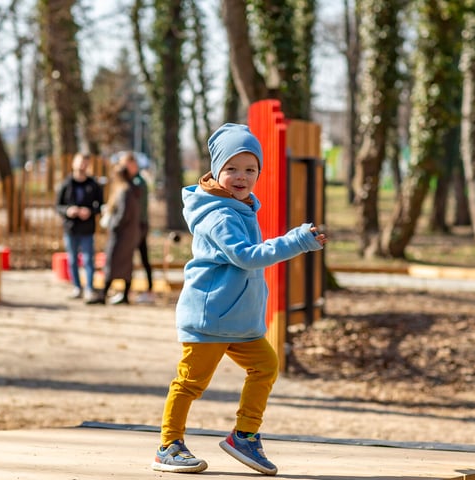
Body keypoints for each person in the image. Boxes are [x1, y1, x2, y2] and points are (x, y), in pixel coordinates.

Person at [151, 123, 328, 475]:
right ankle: (168, 446)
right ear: (217, 170)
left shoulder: (240, 206)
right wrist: (295, 242)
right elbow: (246, 256)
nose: (241, 176)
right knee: (190, 382)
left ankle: (244, 436)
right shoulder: (219, 215)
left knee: (265, 365)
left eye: (250, 169)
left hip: (237, 321)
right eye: (232, 168)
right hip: (210, 317)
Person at [87, 159, 141, 305]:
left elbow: (123, 214)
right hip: (128, 233)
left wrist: (111, 224)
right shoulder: (129, 190)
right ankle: (122, 294)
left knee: (112, 262)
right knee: (124, 263)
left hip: (122, 234)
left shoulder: (124, 191)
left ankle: (104, 293)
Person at [56, 153, 103, 302]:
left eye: (85, 163)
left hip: (87, 228)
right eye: (80, 162)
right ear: (73, 164)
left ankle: (89, 287)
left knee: (89, 260)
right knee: (72, 260)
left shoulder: (93, 184)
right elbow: (58, 206)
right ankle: (77, 287)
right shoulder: (66, 184)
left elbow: (100, 206)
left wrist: (90, 212)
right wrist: (68, 211)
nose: (82, 165)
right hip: (71, 228)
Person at [119, 152, 155, 303]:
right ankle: (128, 290)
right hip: (135, 225)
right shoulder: (131, 181)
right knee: (132, 258)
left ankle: (148, 290)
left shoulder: (138, 183)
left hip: (139, 225)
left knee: (142, 257)